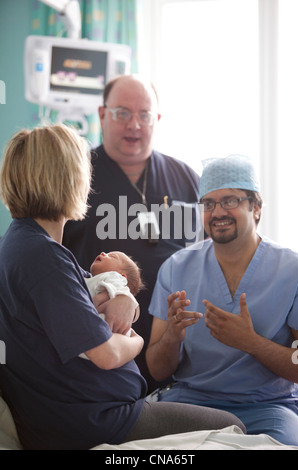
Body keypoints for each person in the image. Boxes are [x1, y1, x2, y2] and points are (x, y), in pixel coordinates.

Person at [0, 125, 245, 450]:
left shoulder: (21, 245)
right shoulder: (43, 258)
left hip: (83, 411)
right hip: (93, 422)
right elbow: (106, 354)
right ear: (70, 180)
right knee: (233, 427)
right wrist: (136, 338)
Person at [146, 154, 298, 446]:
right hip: (191, 403)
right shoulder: (176, 268)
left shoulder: (292, 271)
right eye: (208, 204)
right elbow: (157, 370)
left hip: (267, 409)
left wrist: (251, 342)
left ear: (256, 207)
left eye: (230, 200)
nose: (218, 212)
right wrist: (172, 336)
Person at [62, 74, 202, 392]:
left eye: (144, 115)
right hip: (100, 351)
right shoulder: (74, 178)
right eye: (122, 113)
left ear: (157, 119)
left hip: (179, 353)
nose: (134, 125)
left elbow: (212, 257)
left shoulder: (188, 180)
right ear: (102, 114)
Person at [84, 251, 144, 341]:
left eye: (112, 256)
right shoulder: (91, 280)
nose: (103, 253)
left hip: (102, 333)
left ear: (122, 276)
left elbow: (122, 289)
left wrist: (123, 296)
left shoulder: (114, 277)